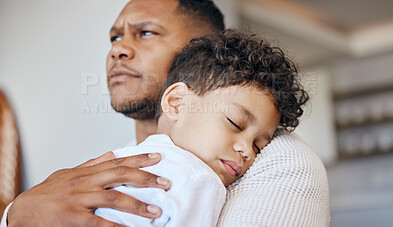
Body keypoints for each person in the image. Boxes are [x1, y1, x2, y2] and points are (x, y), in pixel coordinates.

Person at [2, 0, 330, 227]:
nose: (119, 50)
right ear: (175, 102)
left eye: (145, 33)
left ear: (199, 49)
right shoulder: (122, 159)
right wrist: (17, 213)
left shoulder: (281, 162)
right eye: (115, 38)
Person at [95, 29, 307, 226]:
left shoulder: (115, 160)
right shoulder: (201, 181)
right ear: (177, 102)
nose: (246, 150)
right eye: (235, 123)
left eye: (258, 147)